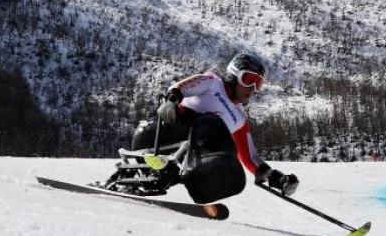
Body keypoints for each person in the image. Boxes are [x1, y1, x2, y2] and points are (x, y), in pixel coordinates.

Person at [124, 52, 299, 204]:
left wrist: (276, 178)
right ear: (233, 75)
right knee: (212, 122)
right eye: (248, 80)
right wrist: (171, 101)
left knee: (228, 157)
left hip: (179, 161)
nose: (252, 89)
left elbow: (250, 157)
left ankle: (199, 189)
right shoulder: (212, 82)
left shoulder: (239, 119)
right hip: (156, 136)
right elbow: (180, 87)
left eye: (258, 83)